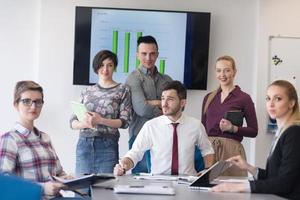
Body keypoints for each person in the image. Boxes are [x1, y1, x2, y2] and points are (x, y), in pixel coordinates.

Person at [212, 80, 300, 199]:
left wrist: (241, 187)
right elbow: (274, 177)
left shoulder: (294, 132)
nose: (271, 104)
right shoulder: (282, 132)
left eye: (278, 99)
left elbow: (285, 183)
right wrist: (249, 167)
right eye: (268, 99)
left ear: (291, 103)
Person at [114, 81, 214, 176]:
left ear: (182, 103)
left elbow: (207, 151)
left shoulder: (196, 125)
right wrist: (123, 166)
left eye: (170, 99)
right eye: (162, 98)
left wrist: (206, 171)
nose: (164, 104)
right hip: (158, 183)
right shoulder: (151, 126)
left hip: (187, 181)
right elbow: (135, 153)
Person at [70, 50, 132, 175]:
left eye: (109, 65)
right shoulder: (87, 91)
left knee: (105, 189)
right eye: (102, 65)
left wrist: (100, 120)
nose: (105, 69)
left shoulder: (123, 89)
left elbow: (125, 122)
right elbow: (72, 122)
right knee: (82, 190)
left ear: (114, 67)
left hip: (108, 145)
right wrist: (85, 124)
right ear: (96, 67)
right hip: (84, 144)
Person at [0, 81, 66, 196]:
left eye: (38, 102)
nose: (33, 106)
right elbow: (4, 182)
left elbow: (59, 173)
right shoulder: (10, 139)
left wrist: (67, 180)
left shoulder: (45, 138)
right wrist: (42, 188)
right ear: (16, 104)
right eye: (26, 101)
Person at [201, 55, 258, 176]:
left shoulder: (244, 98)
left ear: (234, 72)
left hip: (232, 152)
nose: (222, 74)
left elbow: (254, 131)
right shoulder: (208, 98)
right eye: (219, 70)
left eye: (227, 70)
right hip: (209, 151)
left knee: (233, 191)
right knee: (207, 190)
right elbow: (202, 129)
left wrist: (233, 128)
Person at [126, 35, 172, 173]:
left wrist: (151, 102)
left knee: (163, 182)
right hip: (139, 136)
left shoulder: (167, 80)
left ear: (157, 55)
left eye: (152, 54)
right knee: (140, 184)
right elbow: (142, 109)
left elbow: (176, 108)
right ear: (137, 55)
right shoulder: (133, 78)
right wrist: (163, 104)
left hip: (164, 137)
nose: (148, 58)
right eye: (144, 54)